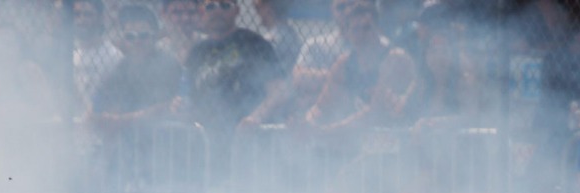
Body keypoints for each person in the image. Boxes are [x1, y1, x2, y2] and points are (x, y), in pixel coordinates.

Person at [176, 0, 288, 132]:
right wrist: (180, 106)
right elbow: (187, 95)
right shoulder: (196, 51)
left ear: (236, 10)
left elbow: (279, 90)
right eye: (211, 6)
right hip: (206, 135)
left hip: (245, 134)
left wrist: (255, 117)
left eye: (225, 5)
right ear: (202, 11)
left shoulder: (254, 43)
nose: (217, 11)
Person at [304, 0, 417, 130]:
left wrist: (326, 131)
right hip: (354, 135)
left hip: (395, 133)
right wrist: (309, 122)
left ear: (377, 29)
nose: (361, 35)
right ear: (347, 34)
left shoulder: (395, 59)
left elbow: (374, 113)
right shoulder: (344, 64)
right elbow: (321, 106)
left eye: (367, 28)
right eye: (356, 29)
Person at [71, 0, 124, 116]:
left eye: (88, 14)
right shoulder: (72, 55)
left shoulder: (113, 56)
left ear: (100, 18)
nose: (81, 20)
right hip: (75, 119)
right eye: (77, 14)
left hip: (102, 119)